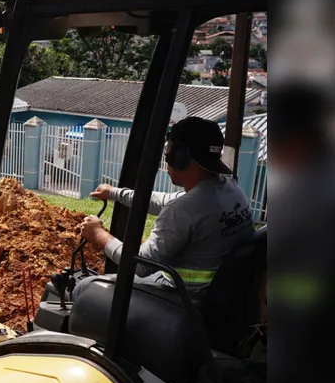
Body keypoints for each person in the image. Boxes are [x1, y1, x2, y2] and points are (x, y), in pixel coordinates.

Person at [76, 116, 254, 300]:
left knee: (84, 288)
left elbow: (139, 266)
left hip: (186, 300)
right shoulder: (231, 190)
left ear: (180, 156)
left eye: (169, 150)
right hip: (219, 295)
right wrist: (115, 193)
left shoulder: (184, 209)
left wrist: (98, 234)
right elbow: (164, 200)